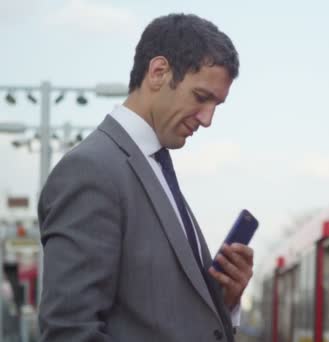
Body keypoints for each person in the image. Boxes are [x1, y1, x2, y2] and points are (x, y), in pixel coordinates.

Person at [37, 13, 253, 342]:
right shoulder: (92, 171)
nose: (208, 119)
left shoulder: (152, 165)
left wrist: (223, 301)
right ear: (158, 72)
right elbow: (70, 331)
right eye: (200, 97)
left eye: (216, 105)